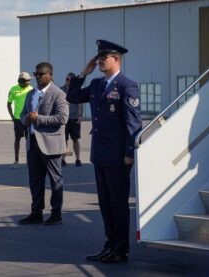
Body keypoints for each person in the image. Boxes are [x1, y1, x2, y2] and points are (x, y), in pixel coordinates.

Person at [67, 39, 142, 263]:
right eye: (98, 58)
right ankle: (109, 245)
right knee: (105, 204)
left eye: (104, 58)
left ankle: (121, 249)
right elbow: (72, 96)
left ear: (116, 59)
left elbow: (133, 123)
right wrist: (84, 73)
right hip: (100, 154)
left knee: (118, 204)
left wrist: (130, 152)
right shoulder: (98, 85)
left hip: (118, 156)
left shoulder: (127, 86)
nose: (99, 61)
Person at [19, 62, 69, 226]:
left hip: (51, 143)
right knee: (35, 180)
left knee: (55, 180)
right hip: (32, 142)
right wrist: (26, 119)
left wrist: (38, 119)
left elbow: (63, 118)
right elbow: (22, 114)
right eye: (36, 74)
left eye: (41, 74)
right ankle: (36, 212)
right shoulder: (31, 94)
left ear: (51, 75)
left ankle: (56, 214)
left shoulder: (58, 94)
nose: (38, 77)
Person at [7, 72, 33, 168]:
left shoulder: (31, 89)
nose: (29, 82)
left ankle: (28, 160)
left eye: (29, 80)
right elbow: (9, 104)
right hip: (18, 119)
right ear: (21, 81)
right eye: (27, 80)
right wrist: (12, 117)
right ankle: (16, 160)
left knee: (29, 140)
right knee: (17, 139)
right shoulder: (13, 90)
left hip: (28, 119)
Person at [61, 72, 84, 167]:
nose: (68, 82)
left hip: (74, 118)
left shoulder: (77, 90)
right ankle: (63, 159)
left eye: (70, 80)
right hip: (63, 118)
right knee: (63, 139)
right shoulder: (61, 90)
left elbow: (80, 103)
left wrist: (80, 115)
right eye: (67, 79)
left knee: (75, 139)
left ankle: (78, 159)